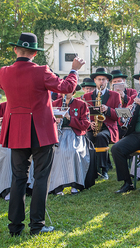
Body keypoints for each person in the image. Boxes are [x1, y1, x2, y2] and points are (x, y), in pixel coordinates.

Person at [0, 32, 85, 236]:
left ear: (15, 49)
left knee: (18, 178)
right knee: (40, 178)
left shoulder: (3, 72)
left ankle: (15, 227)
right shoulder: (41, 71)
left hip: (16, 130)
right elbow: (66, 87)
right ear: (35, 54)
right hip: (41, 131)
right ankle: (36, 225)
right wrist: (74, 69)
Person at [49, 83, 96, 195]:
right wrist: (55, 122)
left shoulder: (81, 104)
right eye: (63, 91)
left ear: (73, 92)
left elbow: (85, 124)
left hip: (75, 134)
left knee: (73, 151)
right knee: (56, 152)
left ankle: (75, 184)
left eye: (68, 91)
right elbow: (46, 122)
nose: (65, 94)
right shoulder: (55, 104)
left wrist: (70, 118)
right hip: (59, 134)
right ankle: (57, 186)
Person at [84, 68, 121, 180]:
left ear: (107, 81)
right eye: (99, 79)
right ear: (95, 81)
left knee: (101, 136)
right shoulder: (87, 97)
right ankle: (89, 169)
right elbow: (84, 114)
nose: (101, 82)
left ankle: (103, 169)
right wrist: (89, 123)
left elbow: (118, 116)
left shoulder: (115, 95)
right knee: (86, 138)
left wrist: (108, 109)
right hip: (93, 126)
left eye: (103, 80)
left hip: (109, 128)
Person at [0, 102, 11, 201]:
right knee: (7, 154)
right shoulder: (2, 106)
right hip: (3, 140)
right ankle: (5, 189)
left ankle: (7, 189)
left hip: (14, 139)